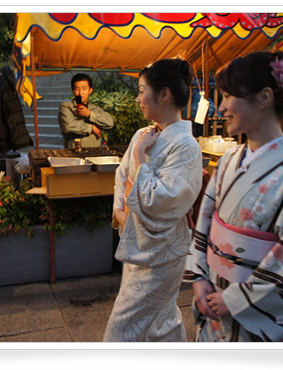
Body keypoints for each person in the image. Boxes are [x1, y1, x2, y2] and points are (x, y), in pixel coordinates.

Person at [184, 51, 283, 342]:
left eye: (229, 97)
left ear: (265, 97)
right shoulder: (228, 159)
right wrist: (200, 278)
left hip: (254, 311)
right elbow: (205, 222)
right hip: (214, 297)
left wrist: (238, 299)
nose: (222, 108)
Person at [103, 59, 202, 342]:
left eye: (142, 90)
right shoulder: (142, 135)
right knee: (161, 323)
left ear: (164, 94)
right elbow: (122, 177)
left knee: (121, 332)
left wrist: (139, 160)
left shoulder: (186, 146)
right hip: (138, 244)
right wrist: (120, 212)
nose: (137, 98)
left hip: (162, 252)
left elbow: (163, 200)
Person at [58, 73, 114, 149]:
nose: (80, 93)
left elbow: (110, 123)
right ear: (73, 90)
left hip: (95, 153)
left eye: (84, 89)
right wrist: (92, 128)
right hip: (74, 154)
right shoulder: (66, 107)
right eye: (77, 89)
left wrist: (89, 114)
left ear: (90, 90)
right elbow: (68, 127)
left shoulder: (95, 108)